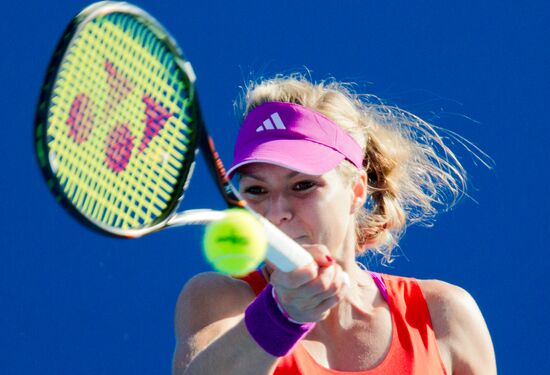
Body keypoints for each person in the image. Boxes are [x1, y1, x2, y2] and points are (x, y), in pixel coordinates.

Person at [172, 75, 496, 374]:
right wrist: (280, 317)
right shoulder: (216, 300)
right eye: (256, 190)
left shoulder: (445, 316)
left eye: (302, 185)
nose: (276, 212)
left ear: (356, 191)